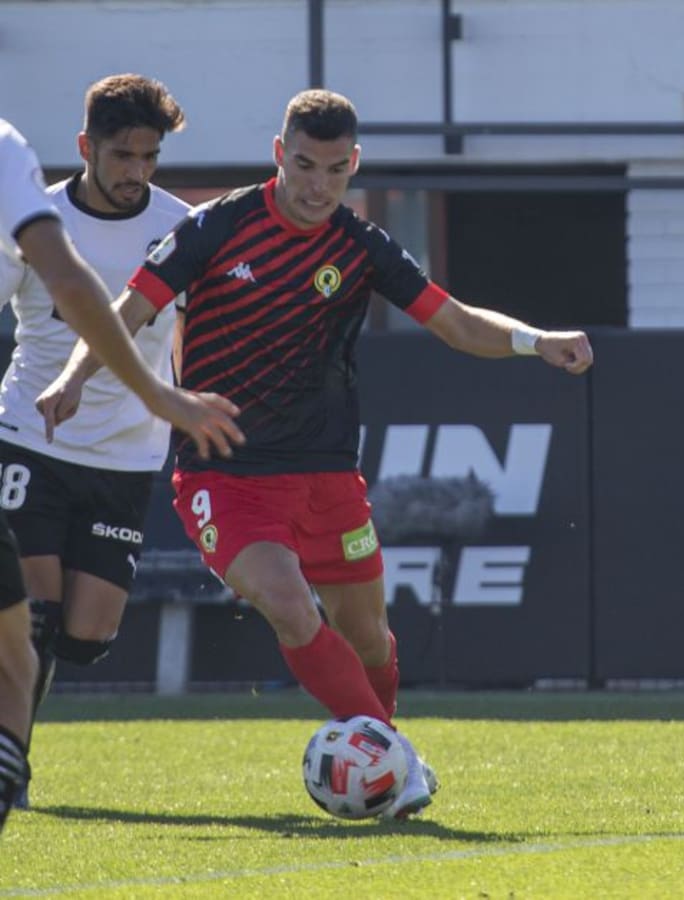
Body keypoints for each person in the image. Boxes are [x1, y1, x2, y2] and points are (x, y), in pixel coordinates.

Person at [40, 89, 594, 820]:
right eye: (304, 165)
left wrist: (535, 340)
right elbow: (128, 311)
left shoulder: (360, 245)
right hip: (225, 471)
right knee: (290, 606)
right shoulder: (216, 227)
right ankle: (397, 763)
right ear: (280, 154)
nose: (317, 186)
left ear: (353, 165)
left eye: (335, 170)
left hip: (327, 474)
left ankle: (389, 759)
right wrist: (72, 378)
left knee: (369, 639)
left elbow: (455, 323)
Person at [0, 118, 242, 837]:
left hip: (128, 455)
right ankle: (13, 765)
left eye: (149, 156)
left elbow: (199, 321)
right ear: (86, 148)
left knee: (85, 633)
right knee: (32, 615)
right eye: (122, 154)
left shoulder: (180, 227)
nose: (137, 170)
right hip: (30, 436)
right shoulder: (36, 213)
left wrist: (187, 403)